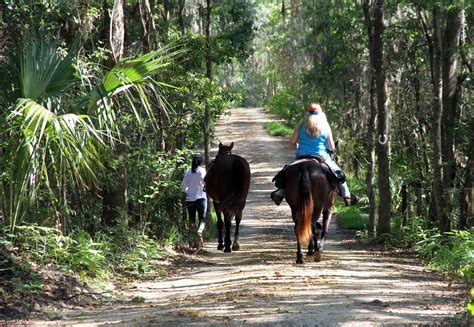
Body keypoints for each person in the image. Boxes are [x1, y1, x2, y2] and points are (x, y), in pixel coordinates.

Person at [271, 103, 358, 206]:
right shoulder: (325, 126)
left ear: (308, 113)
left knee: (287, 171)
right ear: (321, 115)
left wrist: (298, 146)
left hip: (301, 155)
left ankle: (281, 192)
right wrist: (331, 150)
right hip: (322, 157)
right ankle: (346, 195)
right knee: (338, 173)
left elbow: (292, 142)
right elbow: (332, 147)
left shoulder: (301, 125)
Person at [181, 155, 207, 239]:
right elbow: (206, 182)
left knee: (192, 219)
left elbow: (182, 187)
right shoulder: (202, 171)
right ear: (200, 162)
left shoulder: (188, 172)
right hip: (201, 198)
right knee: (202, 218)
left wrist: (187, 190)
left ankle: (193, 238)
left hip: (190, 199)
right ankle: (200, 231)